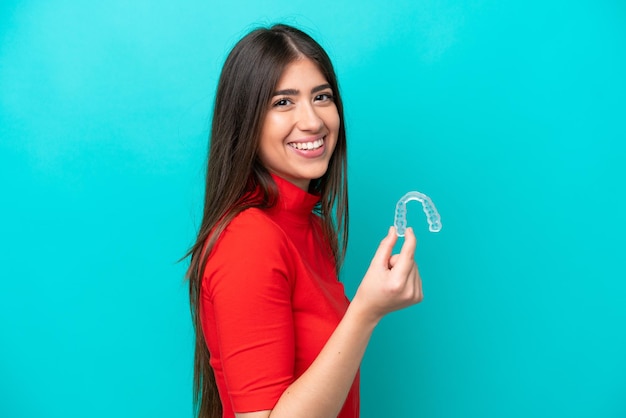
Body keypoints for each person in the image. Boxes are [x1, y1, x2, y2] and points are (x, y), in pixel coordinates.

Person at [186, 23, 423, 418]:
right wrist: (366, 309)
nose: (312, 121)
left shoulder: (309, 227)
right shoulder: (249, 242)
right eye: (283, 102)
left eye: (322, 97)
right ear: (246, 121)